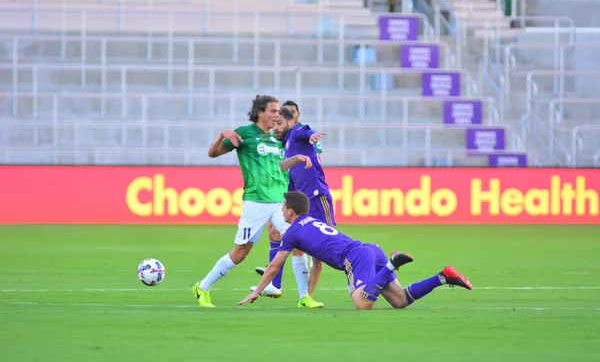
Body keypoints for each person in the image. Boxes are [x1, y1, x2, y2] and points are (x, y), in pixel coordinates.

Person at [239, 191, 473, 310]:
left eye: (282, 208)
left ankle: (392, 263)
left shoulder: (292, 232)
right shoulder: (311, 222)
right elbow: (316, 261)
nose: (280, 212)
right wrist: (307, 295)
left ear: (291, 212)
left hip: (355, 257)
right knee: (400, 300)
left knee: (363, 304)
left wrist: (257, 291)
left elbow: (274, 266)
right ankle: (443, 277)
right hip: (371, 250)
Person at [193, 95, 321, 308]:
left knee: (299, 243)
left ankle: (304, 297)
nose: (277, 115)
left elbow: (275, 167)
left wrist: (295, 159)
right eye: (273, 111)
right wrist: (221, 135)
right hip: (256, 202)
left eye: (278, 111)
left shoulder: (273, 138)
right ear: (259, 113)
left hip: (280, 202)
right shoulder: (244, 134)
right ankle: (203, 287)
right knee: (241, 252)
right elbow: (212, 153)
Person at [250, 108, 331, 304]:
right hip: (302, 203)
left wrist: (313, 135)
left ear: (290, 123)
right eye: (274, 124)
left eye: (279, 124)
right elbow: (291, 181)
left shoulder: (296, 133)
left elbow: (306, 132)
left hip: (317, 197)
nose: (275, 128)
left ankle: (360, 273)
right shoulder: (285, 145)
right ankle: (303, 296)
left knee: (327, 250)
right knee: (291, 241)